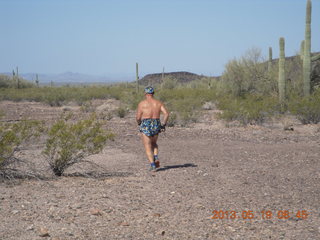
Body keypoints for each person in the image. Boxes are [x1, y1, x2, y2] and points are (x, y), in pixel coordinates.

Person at [136, 86, 169, 171]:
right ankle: (156, 156)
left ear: (145, 94)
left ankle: (153, 165)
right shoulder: (158, 103)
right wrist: (163, 124)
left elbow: (138, 117)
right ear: (153, 93)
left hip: (146, 124)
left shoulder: (142, 103)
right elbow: (166, 114)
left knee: (147, 145)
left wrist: (139, 123)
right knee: (154, 143)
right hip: (156, 123)